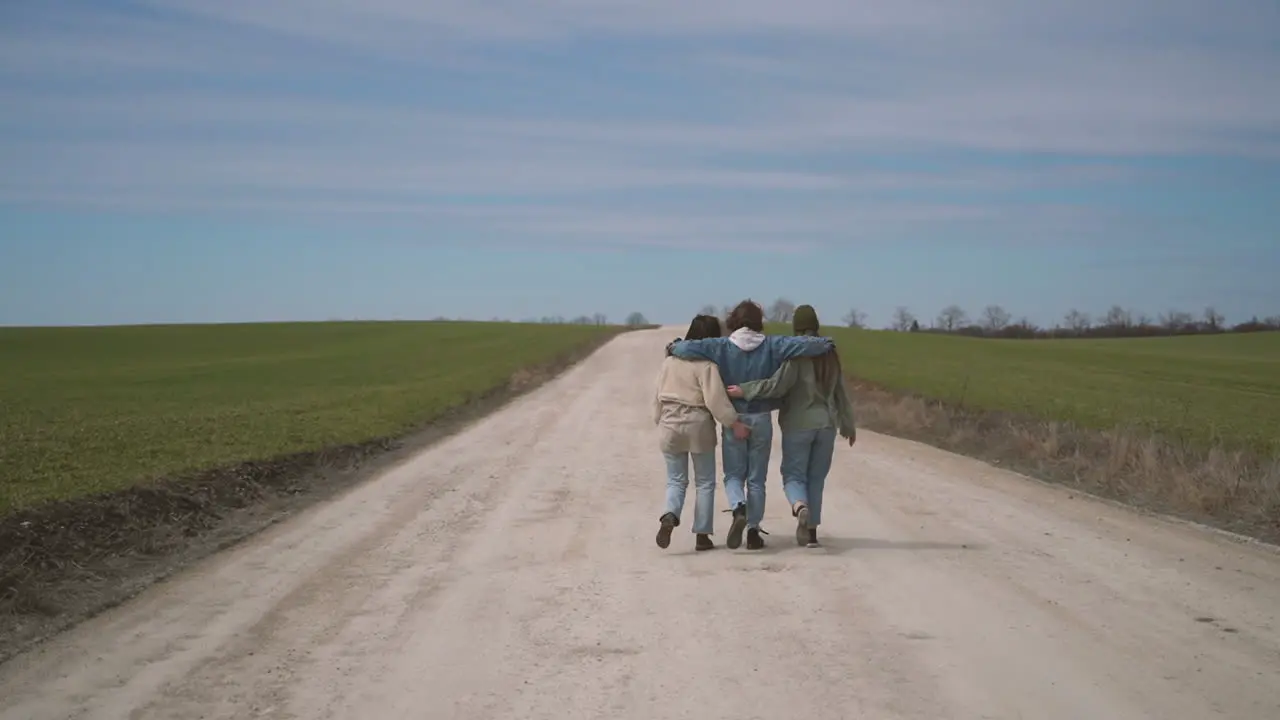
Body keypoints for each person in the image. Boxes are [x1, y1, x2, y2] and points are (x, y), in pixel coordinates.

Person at [666, 300, 835, 550]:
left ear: (733, 320)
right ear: (759, 322)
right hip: (761, 418)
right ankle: (754, 532)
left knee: (734, 475)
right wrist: (825, 343)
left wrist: (674, 346)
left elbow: (689, 348)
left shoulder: (720, 346)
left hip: (735, 419)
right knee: (757, 480)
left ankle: (738, 507)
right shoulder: (773, 345)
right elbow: (802, 345)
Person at [727, 305, 855, 548]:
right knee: (816, 479)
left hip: (798, 425)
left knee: (794, 476)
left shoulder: (797, 356)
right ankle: (812, 533)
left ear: (796, 328)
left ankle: (799, 506)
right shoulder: (830, 355)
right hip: (827, 425)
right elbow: (841, 393)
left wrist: (747, 389)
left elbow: (777, 386)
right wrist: (848, 424)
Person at [653, 314, 750, 552]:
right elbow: (716, 400)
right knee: (705, 482)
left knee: (676, 480)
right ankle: (702, 535)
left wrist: (658, 420)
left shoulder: (669, 362)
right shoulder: (707, 366)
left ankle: (669, 515)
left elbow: (657, 396)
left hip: (670, 423)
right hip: (698, 424)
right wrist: (734, 423)